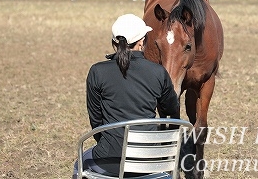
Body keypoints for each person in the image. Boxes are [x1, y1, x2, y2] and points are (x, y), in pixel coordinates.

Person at [72, 14, 179, 178]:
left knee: (80, 163)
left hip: (110, 159)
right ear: (142, 41)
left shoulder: (97, 71)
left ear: (114, 42)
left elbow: (96, 120)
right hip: (149, 160)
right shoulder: (158, 72)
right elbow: (172, 108)